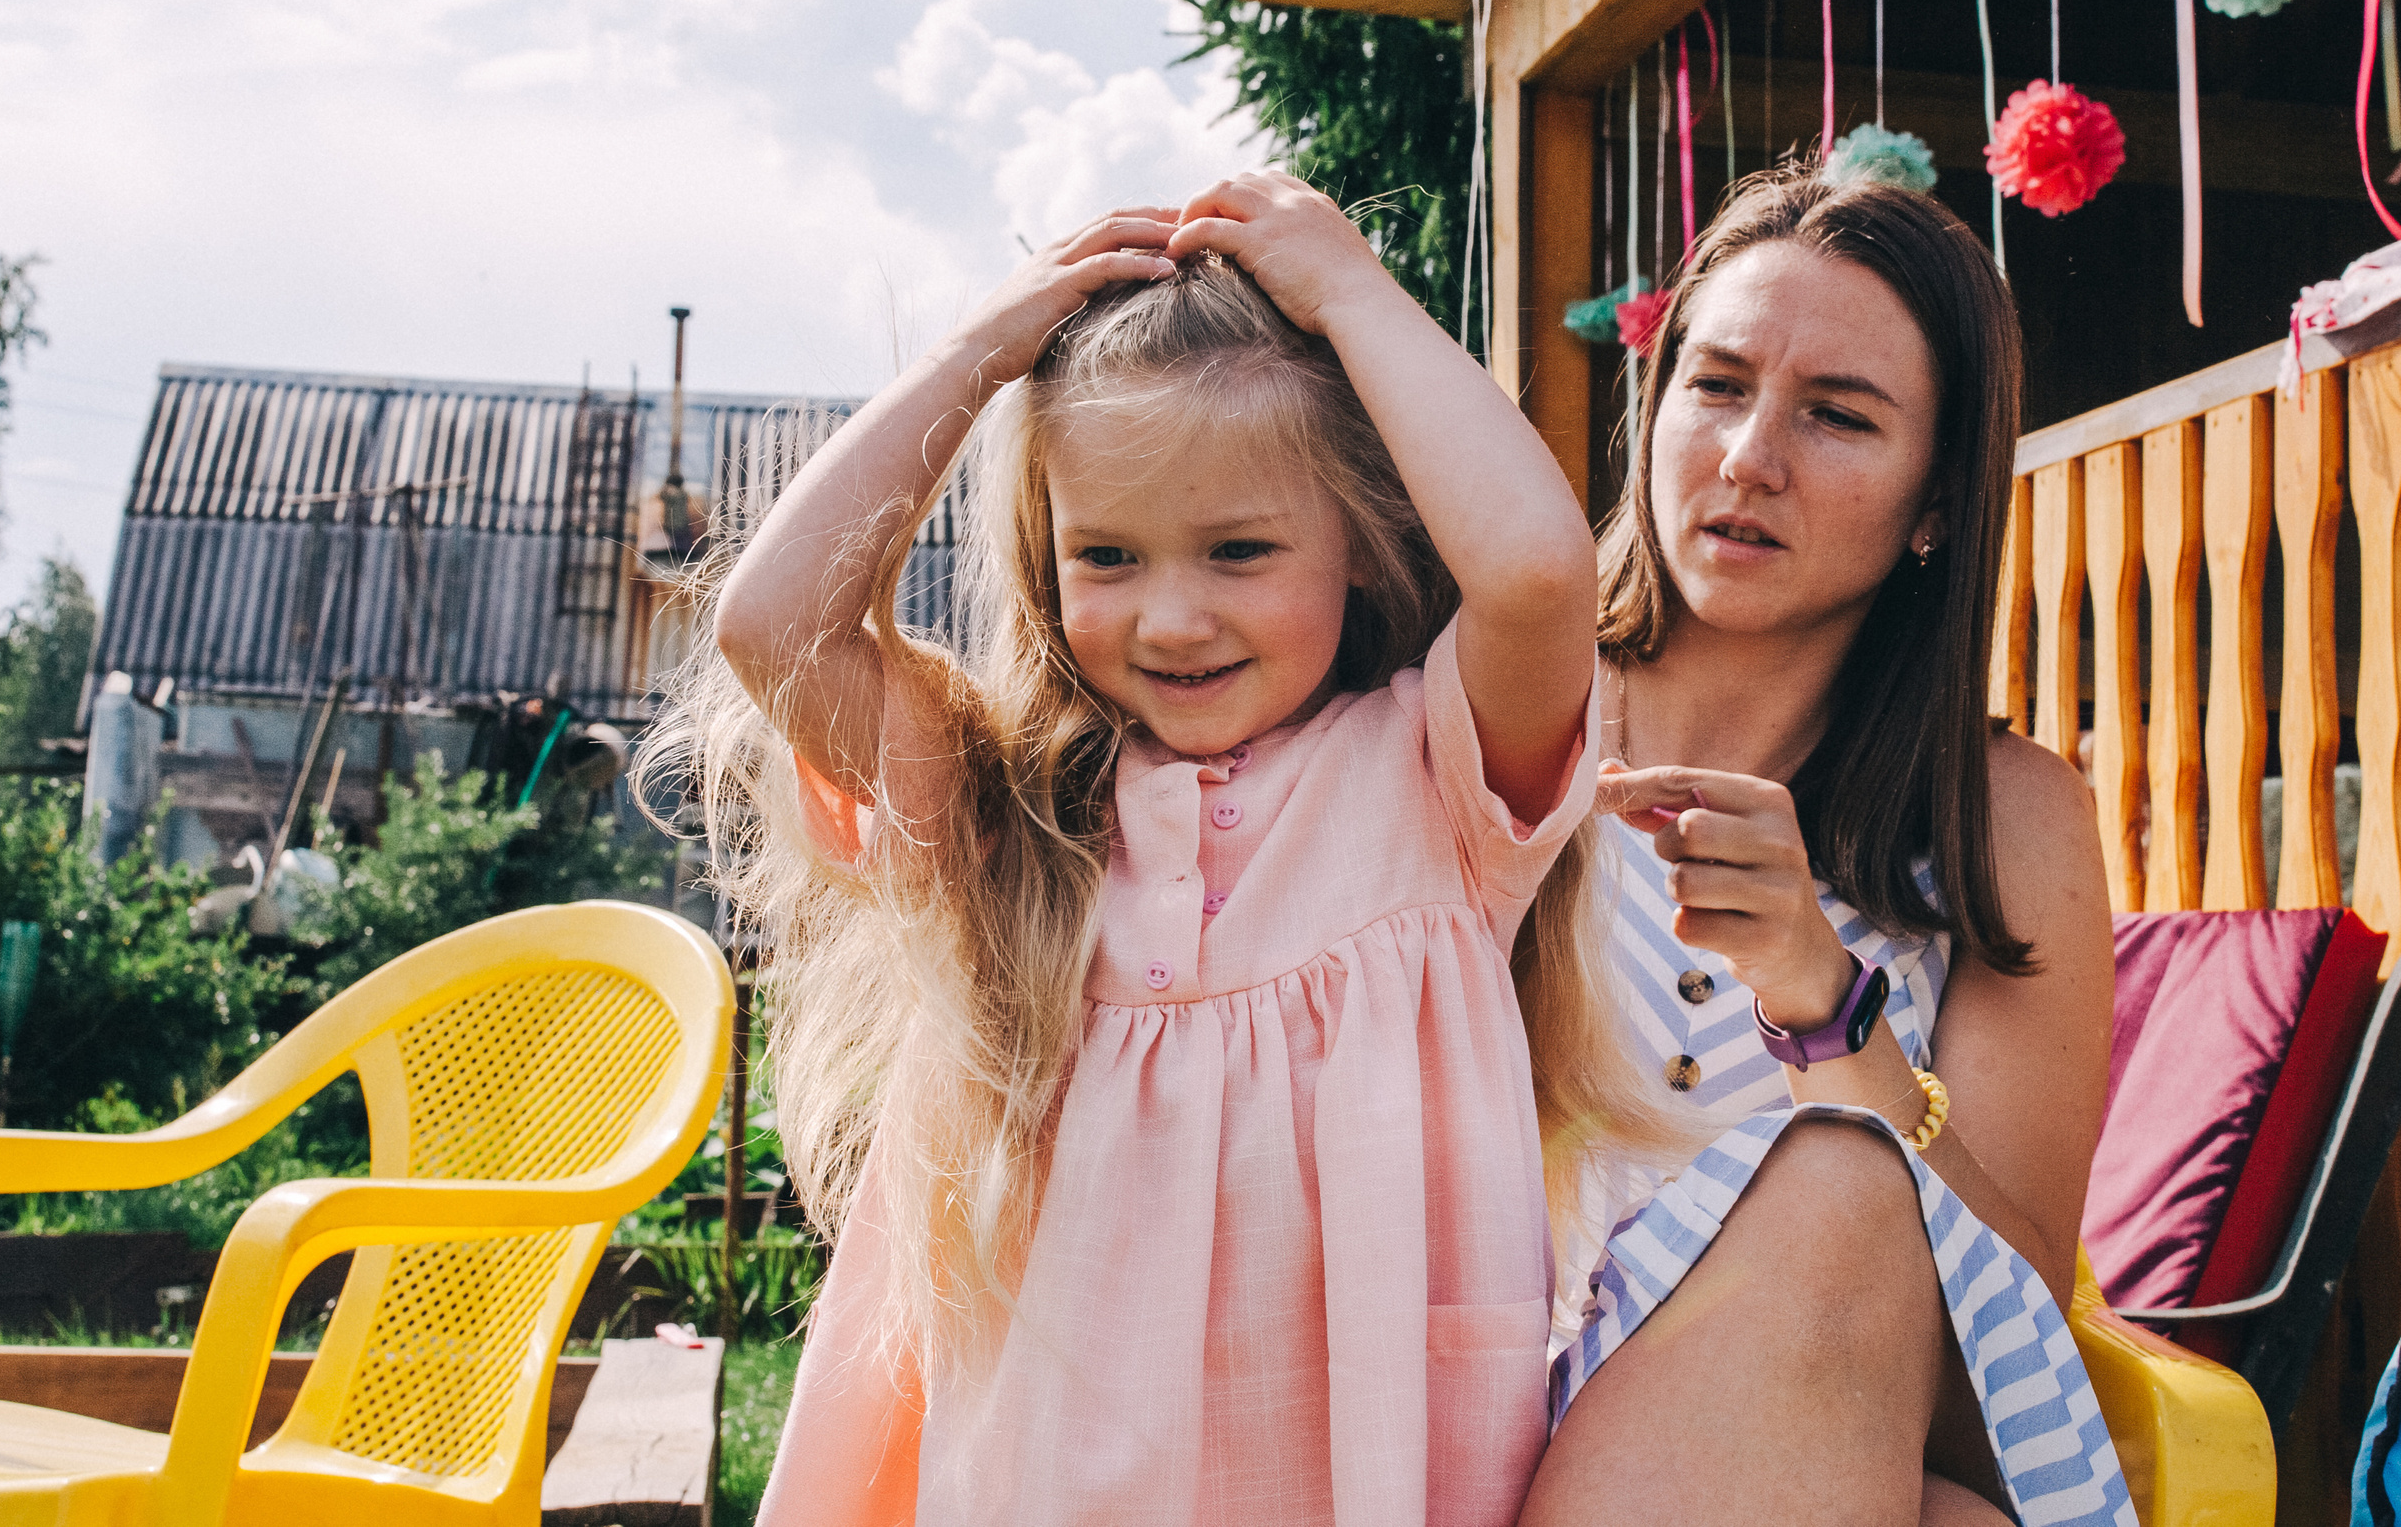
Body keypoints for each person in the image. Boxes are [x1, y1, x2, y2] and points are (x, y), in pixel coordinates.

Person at [647, 169, 1671, 1526]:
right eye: (1111, 556)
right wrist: (978, 358)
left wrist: (1355, 294)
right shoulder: (1012, 814)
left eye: (1240, 549)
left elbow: (1539, 571)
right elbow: (772, 627)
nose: (1173, 618)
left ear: (1357, 550)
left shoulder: (1437, 786)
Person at [1519, 171, 2129, 1527]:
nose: (1749, 458)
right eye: (1717, 385)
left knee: (1847, 1186)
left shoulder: (2004, 818)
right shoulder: (1502, 705)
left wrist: (1823, 1002)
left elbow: (2007, 1333)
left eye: (1837, 415)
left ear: (1939, 505)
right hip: (1462, 1396)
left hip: (1792, 1432)